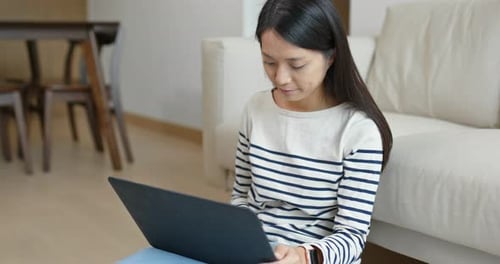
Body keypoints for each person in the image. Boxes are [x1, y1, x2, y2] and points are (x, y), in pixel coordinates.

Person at [230, 0, 393, 263]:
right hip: (256, 253)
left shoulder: (358, 132)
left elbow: (352, 236)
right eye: (269, 62)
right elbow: (240, 195)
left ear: (331, 56)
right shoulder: (255, 109)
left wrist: (302, 256)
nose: (280, 77)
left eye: (296, 65)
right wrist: (241, 239)